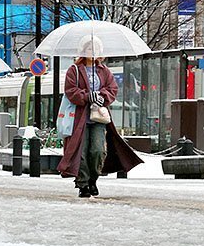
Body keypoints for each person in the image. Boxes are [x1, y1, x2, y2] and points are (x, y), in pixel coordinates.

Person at [58, 35, 143, 197]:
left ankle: (93, 179)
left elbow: (112, 89)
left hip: (98, 117)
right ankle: (83, 183)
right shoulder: (74, 70)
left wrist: (102, 96)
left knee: (97, 150)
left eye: (96, 49)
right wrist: (87, 96)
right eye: (90, 49)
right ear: (83, 51)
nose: (93, 52)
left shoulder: (104, 71)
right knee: (80, 151)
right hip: (79, 119)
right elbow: (70, 91)